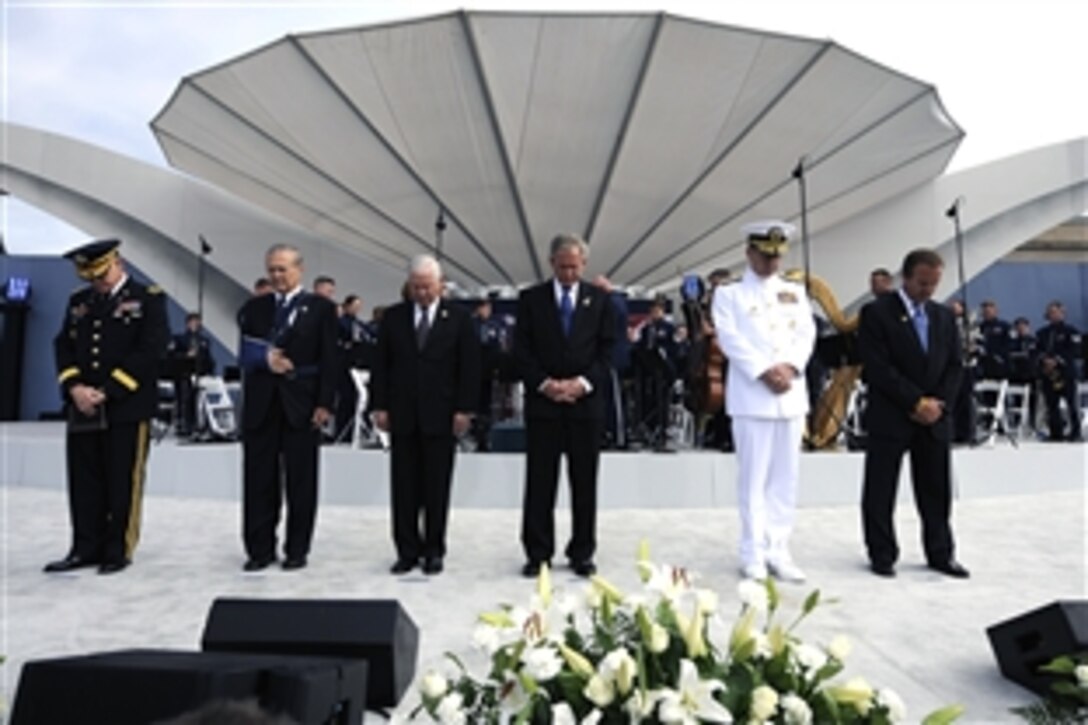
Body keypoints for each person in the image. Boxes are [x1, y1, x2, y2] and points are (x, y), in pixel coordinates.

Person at [46, 238, 169, 574]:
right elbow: (64, 346)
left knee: (122, 479)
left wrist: (109, 390)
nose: (97, 282)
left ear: (119, 263)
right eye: (91, 276)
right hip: (83, 406)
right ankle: (84, 547)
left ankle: (118, 548)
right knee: (84, 479)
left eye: (102, 273)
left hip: (126, 405)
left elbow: (151, 349)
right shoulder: (79, 301)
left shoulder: (147, 299)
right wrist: (74, 387)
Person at [712, 221, 816, 582]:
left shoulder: (794, 291)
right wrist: (764, 370)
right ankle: (752, 551)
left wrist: (790, 367)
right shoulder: (730, 294)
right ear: (749, 252)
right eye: (764, 255)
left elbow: (806, 333)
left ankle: (779, 549)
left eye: (777, 255)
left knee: (785, 479)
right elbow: (730, 338)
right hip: (753, 395)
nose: (771, 262)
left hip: (790, 396)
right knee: (753, 479)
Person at [859, 248, 968, 579]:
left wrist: (938, 404)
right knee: (881, 488)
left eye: (933, 284)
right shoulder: (877, 313)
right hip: (892, 415)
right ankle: (882, 552)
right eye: (922, 283)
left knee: (936, 489)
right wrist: (915, 402)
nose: (928, 290)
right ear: (905, 278)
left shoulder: (943, 316)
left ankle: (940, 552)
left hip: (934, 419)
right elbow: (878, 367)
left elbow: (954, 365)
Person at [514, 233, 616, 578]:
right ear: (551, 264)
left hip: (585, 407)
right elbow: (521, 351)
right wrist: (546, 384)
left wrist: (582, 384)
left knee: (584, 481)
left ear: (584, 264)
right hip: (544, 405)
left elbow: (610, 352)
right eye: (562, 267)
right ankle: (537, 551)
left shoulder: (598, 301)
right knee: (540, 481)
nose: (568, 274)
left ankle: (582, 551)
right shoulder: (531, 300)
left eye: (574, 267)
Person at [371, 255, 479, 575]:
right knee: (404, 487)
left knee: (436, 486)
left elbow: (470, 367)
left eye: (428, 287)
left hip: (442, 414)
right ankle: (406, 550)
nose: (422, 293)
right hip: (402, 414)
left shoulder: (459, 319)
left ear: (440, 285)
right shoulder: (393, 317)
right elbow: (381, 365)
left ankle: (434, 549)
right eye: (416, 287)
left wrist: (464, 409)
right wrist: (380, 405)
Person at [236, 244, 338, 571]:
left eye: (283, 269)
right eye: (272, 270)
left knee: (300, 481)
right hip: (262, 403)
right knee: (259, 480)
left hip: (302, 404)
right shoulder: (255, 308)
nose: (277, 276)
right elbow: (245, 352)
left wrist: (325, 403)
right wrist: (265, 360)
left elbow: (331, 359)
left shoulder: (321, 309)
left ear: (299, 269)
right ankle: (259, 549)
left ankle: (297, 548)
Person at [1036, 300, 1082, 442]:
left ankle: (1075, 432)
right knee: (1051, 404)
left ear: (1063, 313)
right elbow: (1036, 350)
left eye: (1056, 312)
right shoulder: (1042, 333)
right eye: (1050, 313)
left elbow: (1075, 350)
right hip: (1048, 374)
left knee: (1071, 404)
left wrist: (1057, 360)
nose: (1053, 315)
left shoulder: (1071, 331)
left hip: (1066, 373)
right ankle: (1056, 433)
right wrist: (1045, 360)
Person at [168, 312, 215, 436]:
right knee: (185, 398)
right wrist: (186, 356)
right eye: (192, 322)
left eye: (197, 321)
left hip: (200, 374)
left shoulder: (204, 340)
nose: (195, 324)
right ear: (187, 323)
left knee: (199, 399)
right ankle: (184, 424)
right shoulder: (179, 339)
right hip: (184, 374)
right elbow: (172, 357)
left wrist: (210, 372)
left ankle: (200, 424)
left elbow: (208, 359)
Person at [977, 300, 1012, 380]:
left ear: (996, 311)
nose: (987, 312)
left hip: (1000, 365)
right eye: (985, 310)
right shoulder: (978, 328)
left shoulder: (1004, 326)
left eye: (990, 310)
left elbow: (1010, 344)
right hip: (983, 365)